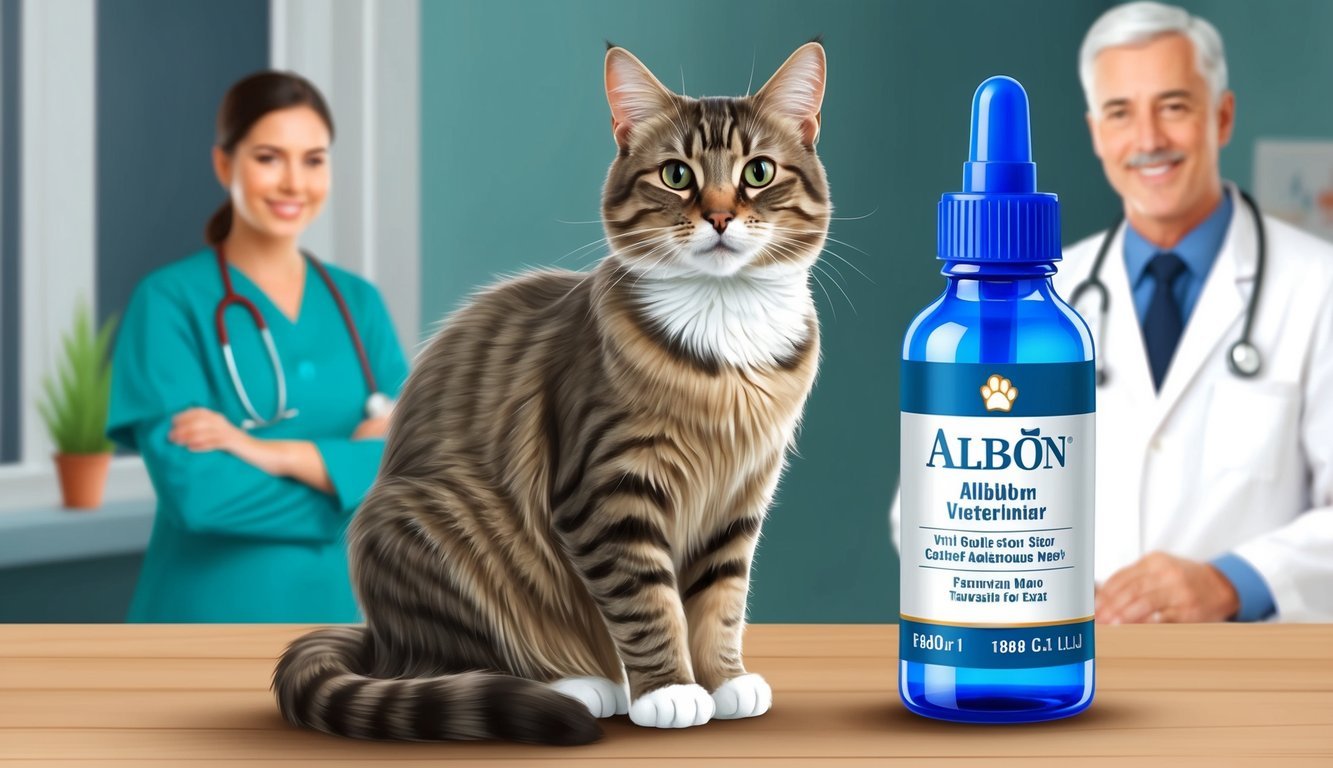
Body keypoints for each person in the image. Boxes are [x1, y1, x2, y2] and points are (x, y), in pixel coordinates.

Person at [107, 72, 409, 622]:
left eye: (313, 159)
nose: (294, 182)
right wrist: (354, 484)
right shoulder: (169, 302)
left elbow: (419, 465)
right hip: (206, 621)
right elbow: (199, 494)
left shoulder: (358, 303)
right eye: (270, 158)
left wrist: (267, 452)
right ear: (225, 165)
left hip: (348, 626)